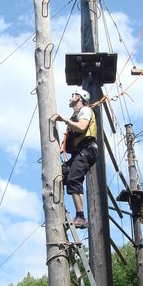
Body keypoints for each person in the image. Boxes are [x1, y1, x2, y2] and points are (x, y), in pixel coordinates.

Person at [55, 88, 98, 229]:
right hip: (79, 151)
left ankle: (80, 217)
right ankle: (61, 209)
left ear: (80, 97)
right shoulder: (75, 115)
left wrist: (64, 120)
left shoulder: (85, 110)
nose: (70, 97)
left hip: (87, 149)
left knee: (74, 179)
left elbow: (82, 126)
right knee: (60, 174)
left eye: (73, 95)